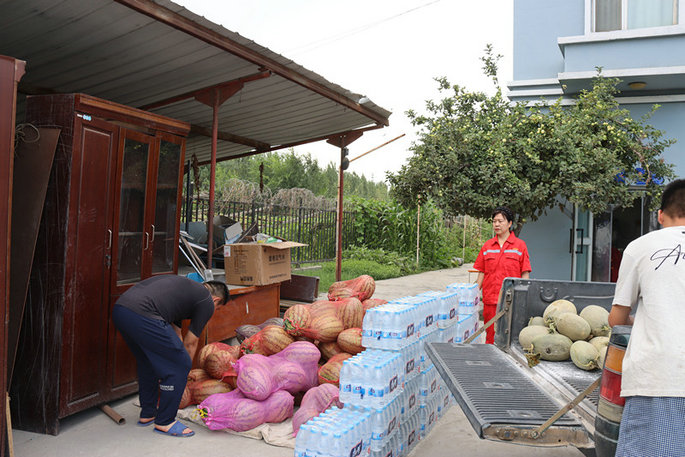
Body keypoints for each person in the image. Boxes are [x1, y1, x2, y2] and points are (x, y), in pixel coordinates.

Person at [608, 179, 685, 457]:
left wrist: (637, 320)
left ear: (660, 215)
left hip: (659, 377)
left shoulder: (640, 247)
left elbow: (617, 318)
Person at [112, 275, 229, 438]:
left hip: (121, 310)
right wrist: (184, 371)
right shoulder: (206, 300)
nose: (214, 311)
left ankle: (148, 413)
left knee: (148, 362)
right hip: (143, 312)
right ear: (216, 300)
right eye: (218, 308)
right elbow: (190, 343)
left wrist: (177, 361)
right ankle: (165, 421)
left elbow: (176, 334)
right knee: (179, 365)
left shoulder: (185, 293)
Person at [473, 206, 531, 344]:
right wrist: (472, 294)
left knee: (510, 336)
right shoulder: (487, 246)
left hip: (511, 301)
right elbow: (481, 273)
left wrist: (523, 299)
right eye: (494, 221)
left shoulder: (520, 245)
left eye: (500, 221)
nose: (496, 224)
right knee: (491, 336)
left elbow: (525, 273)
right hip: (490, 300)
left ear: (509, 223)